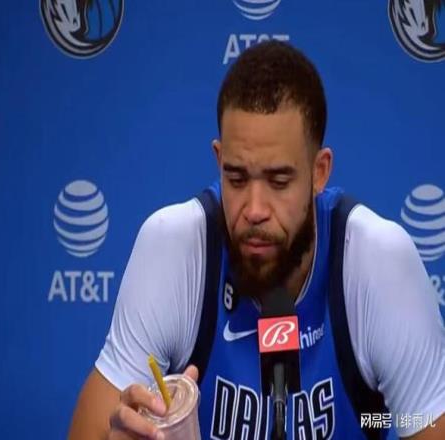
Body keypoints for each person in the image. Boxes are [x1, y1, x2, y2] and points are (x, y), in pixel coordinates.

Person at [68, 41, 445, 440]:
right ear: (218, 161)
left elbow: (424, 425)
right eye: (236, 178)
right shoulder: (175, 248)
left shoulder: (376, 262)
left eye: (279, 181)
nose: (254, 209)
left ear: (319, 172)